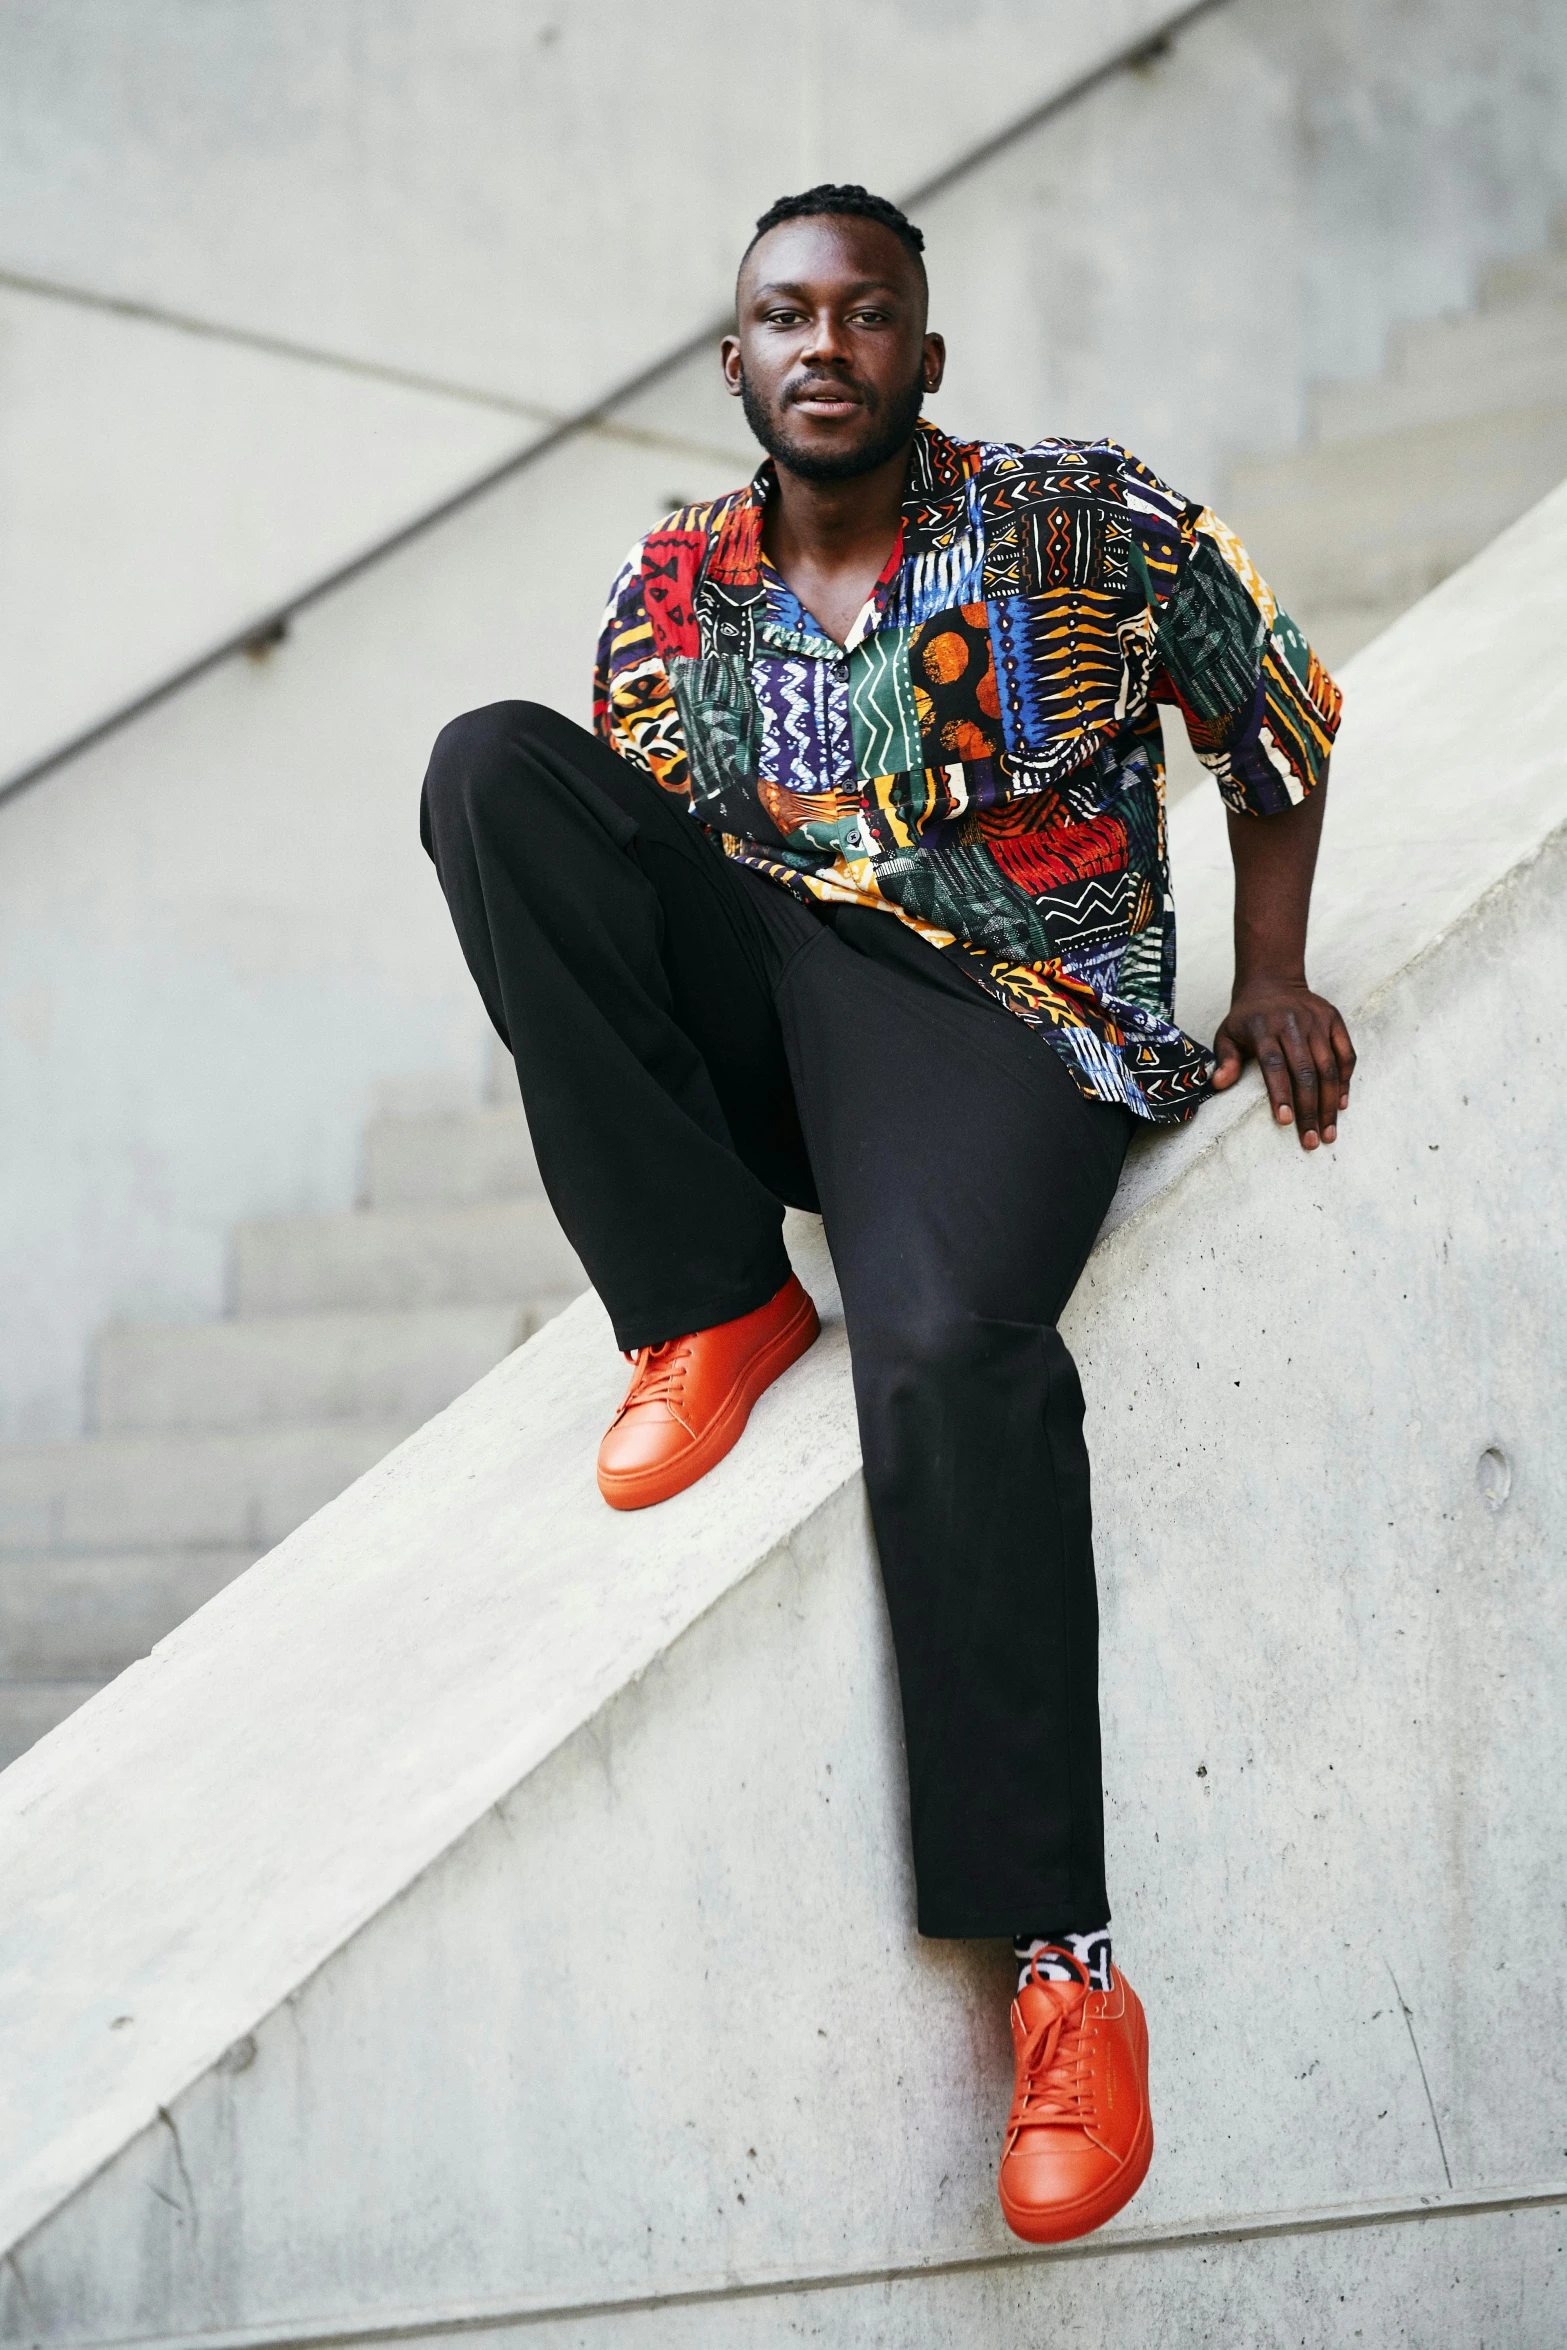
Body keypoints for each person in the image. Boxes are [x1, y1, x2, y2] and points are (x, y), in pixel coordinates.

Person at [420, 182, 1354, 2245]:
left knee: (946, 1356)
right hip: (794, 1006)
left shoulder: (1082, 520)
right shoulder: (669, 589)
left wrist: (1268, 970)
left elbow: (1277, 718)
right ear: (732, 359)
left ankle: (1063, 1966)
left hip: (1017, 1021)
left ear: (926, 355)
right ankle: (708, 1303)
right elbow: (639, 903)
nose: (825, 343)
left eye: (868, 314)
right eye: (785, 315)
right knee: (490, 773)